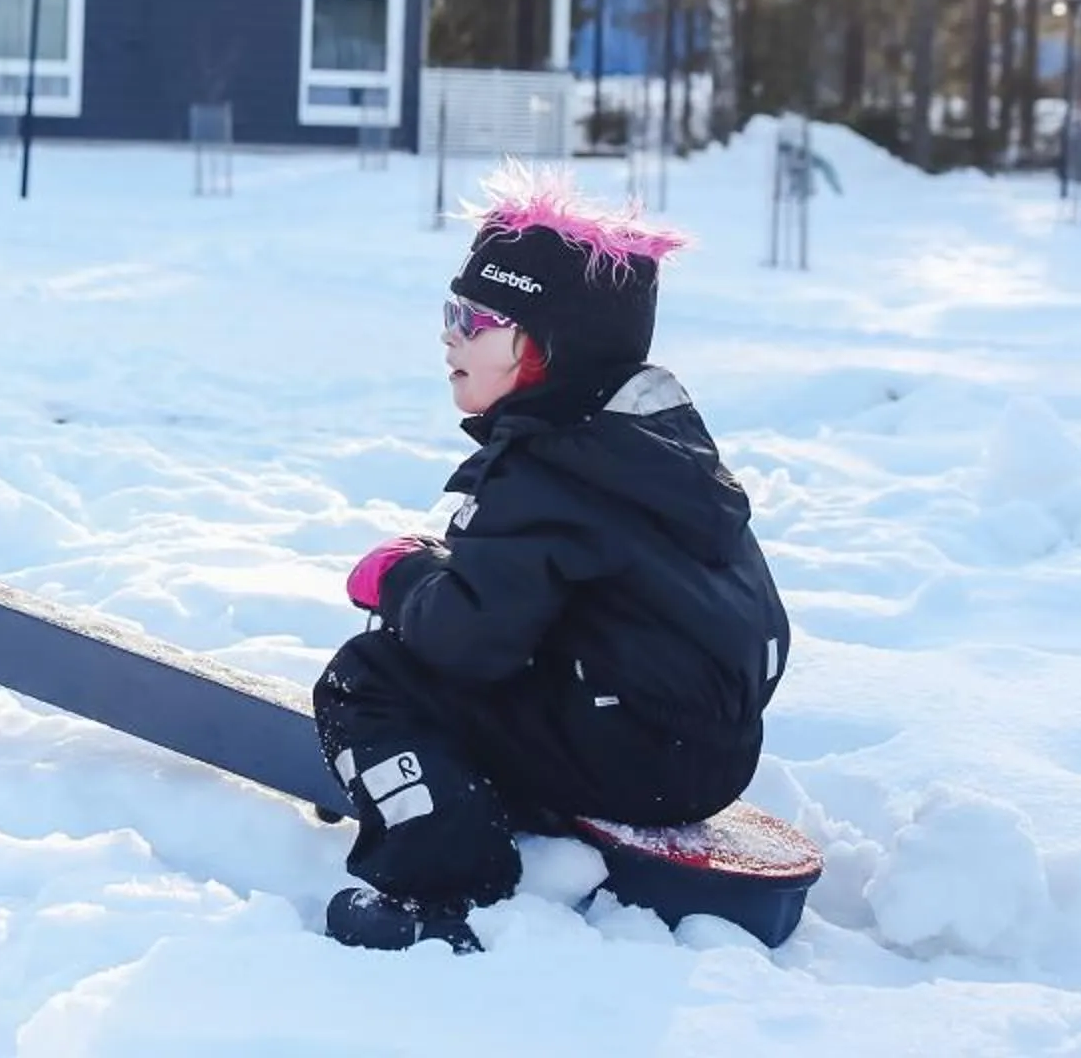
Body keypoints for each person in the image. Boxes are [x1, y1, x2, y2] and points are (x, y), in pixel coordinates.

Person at [313, 167, 789, 951]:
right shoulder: (647, 447)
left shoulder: (548, 467)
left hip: (634, 758)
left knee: (370, 675)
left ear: (545, 349)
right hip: (711, 752)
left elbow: (466, 640)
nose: (450, 333)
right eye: (450, 310)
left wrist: (399, 578)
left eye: (475, 317)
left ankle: (442, 887)